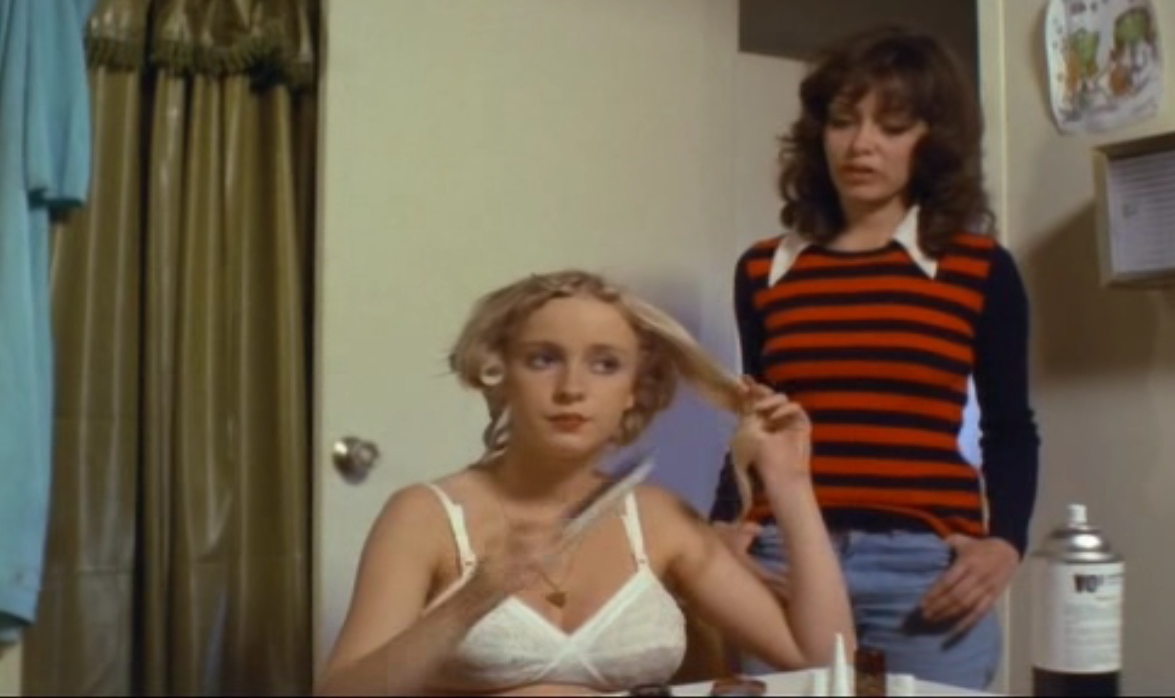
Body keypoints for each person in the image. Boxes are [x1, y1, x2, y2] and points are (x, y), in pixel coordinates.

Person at [316, 270, 855, 697]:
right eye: (543, 359)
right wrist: (474, 599)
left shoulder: (660, 520)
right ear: (501, 374)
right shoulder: (425, 515)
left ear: (634, 390)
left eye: (605, 364)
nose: (571, 387)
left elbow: (824, 660)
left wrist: (790, 483)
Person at [709, 25, 1041, 691]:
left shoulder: (978, 268)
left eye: (892, 125)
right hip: (785, 558)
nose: (861, 144)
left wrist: (1007, 541)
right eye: (843, 121)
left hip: (924, 572)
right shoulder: (764, 270)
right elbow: (758, 422)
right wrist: (720, 528)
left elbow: (1010, 426)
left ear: (931, 140)